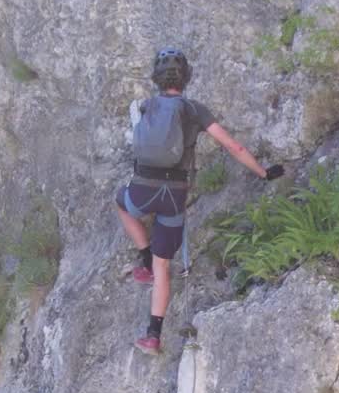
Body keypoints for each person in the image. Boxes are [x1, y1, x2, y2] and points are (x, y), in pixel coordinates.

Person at [115, 47, 284, 354]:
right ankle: (153, 335)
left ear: (156, 77)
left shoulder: (147, 106)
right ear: (186, 77)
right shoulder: (194, 110)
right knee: (163, 265)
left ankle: (143, 258)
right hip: (174, 197)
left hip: (142, 189)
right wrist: (263, 172)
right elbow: (232, 146)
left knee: (121, 203)